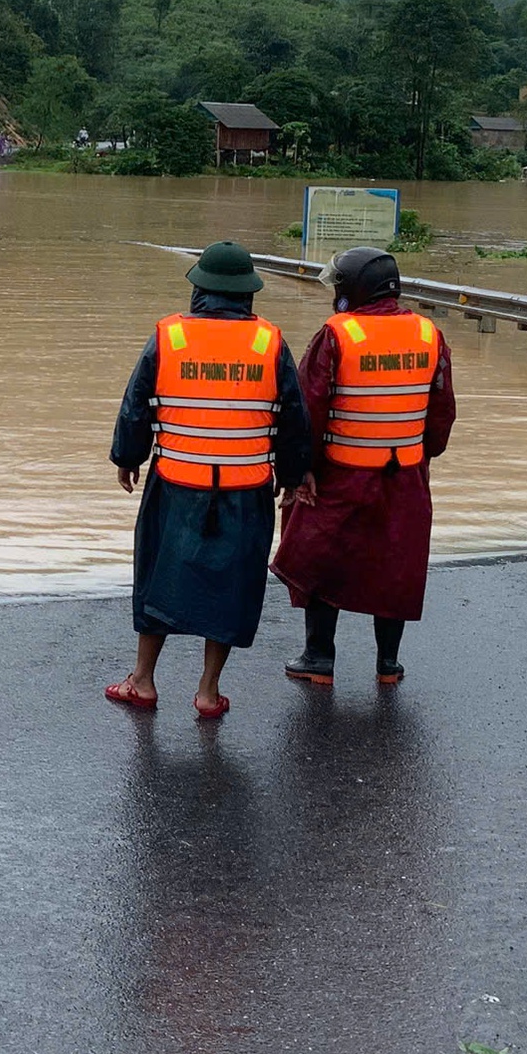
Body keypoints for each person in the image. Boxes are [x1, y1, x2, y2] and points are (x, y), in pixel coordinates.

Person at [106, 241, 314, 720]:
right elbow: (294, 419)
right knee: (231, 587)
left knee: (158, 578)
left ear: (199, 289)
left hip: (176, 484)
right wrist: (294, 475)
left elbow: (137, 404)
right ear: (248, 294)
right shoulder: (270, 343)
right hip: (247, 492)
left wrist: (127, 456)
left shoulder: (169, 336)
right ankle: (207, 691)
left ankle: (142, 681)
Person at [271, 246, 455, 687]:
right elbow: (442, 413)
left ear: (352, 289)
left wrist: (299, 470)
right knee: (396, 566)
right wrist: (418, 453)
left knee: (320, 561)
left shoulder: (336, 334)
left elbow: (307, 408)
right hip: (405, 478)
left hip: (340, 475)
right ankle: (387, 664)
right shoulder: (430, 335)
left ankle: (319, 660)